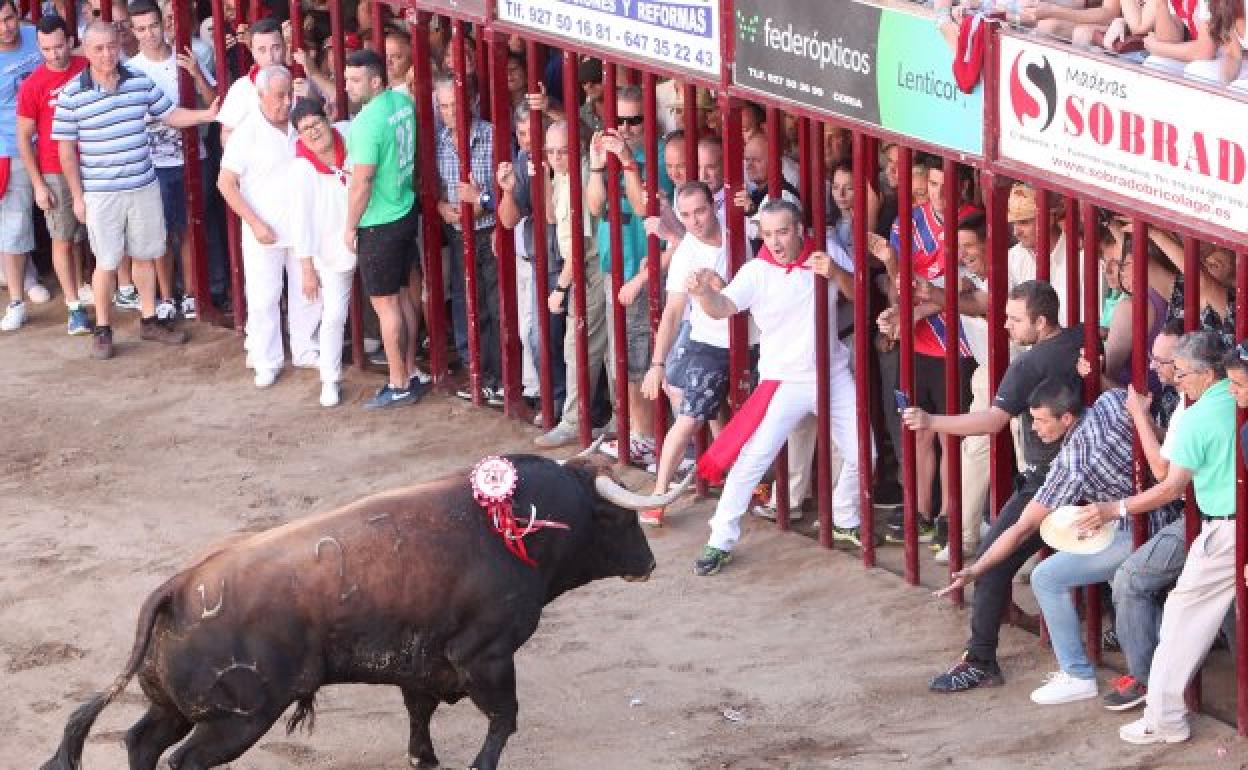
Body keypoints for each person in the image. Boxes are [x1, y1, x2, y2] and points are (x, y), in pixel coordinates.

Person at [938, 380, 1182, 705]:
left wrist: (978, 568)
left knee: (1046, 576)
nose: (1034, 429)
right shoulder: (1110, 401)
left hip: (1138, 530)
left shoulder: (1074, 463)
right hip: (1171, 516)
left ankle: (1078, 674)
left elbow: (1023, 526)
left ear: (1066, 418)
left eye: (1041, 421)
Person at [902, 280, 1083, 691]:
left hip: (1049, 481)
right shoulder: (1078, 339)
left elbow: (991, 422)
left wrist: (933, 422)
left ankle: (981, 658)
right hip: (1084, 476)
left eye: (1015, 320)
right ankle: (1016, 616)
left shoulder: (1028, 364)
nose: (1005, 326)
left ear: (1041, 321)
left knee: (990, 561)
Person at [687, 200, 868, 576]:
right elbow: (722, 307)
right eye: (767, 234)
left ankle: (845, 516)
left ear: (799, 228)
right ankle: (719, 539)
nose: (775, 242)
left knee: (864, 453)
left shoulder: (825, 252)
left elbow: (859, 295)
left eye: (782, 232)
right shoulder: (756, 271)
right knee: (753, 459)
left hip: (832, 375)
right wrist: (703, 293)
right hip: (783, 381)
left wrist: (834, 271)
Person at [1075, 331, 1237, 744]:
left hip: (1224, 529)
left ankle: (1163, 718)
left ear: (1206, 373)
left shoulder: (1201, 414)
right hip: (1229, 524)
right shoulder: (1232, 401)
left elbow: (1167, 482)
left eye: (1181, 373)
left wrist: (1116, 508)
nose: (1175, 380)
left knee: (1182, 622)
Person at [53, 20, 217, 358]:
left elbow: (169, 114)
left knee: (145, 255)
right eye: (98, 48)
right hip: (102, 193)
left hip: (143, 186)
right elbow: (66, 150)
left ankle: (149, 319)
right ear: (85, 51)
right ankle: (102, 329)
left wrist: (206, 115)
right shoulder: (71, 94)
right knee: (107, 262)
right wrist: (79, 197)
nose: (107, 54)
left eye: (111, 46)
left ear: (119, 44)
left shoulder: (138, 80)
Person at [218, 64, 321, 386]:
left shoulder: (299, 126)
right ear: (261, 96)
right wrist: (255, 223)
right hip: (264, 230)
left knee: (308, 292)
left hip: (301, 226)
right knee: (264, 296)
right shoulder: (246, 132)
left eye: (289, 94)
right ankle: (267, 358)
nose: (286, 102)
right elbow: (226, 183)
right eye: (279, 96)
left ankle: (306, 349)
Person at [638, 181, 732, 527]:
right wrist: (657, 364)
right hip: (709, 342)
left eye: (701, 211)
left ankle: (728, 473)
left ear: (714, 207)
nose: (694, 221)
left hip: (750, 339)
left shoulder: (740, 226)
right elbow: (673, 312)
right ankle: (660, 495)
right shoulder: (686, 254)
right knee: (691, 415)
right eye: (687, 215)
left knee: (714, 409)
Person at [345, 49, 426, 409]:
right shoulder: (401, 103)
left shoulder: (366, 123)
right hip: (405, 209)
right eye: (346, 78)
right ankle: (409, 370)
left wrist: (349, 226)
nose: (348, 86)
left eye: (355, 80)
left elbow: (362, 181)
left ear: (376, 80)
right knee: (405, 295)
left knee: (386, 305)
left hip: (378, 222)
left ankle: (398, 383)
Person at [126, 0, 216, 321]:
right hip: (153, 165)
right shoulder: (131, 69)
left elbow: (214, 102)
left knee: (191, 229)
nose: (150, 33)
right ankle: (166, 296)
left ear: (164, 24)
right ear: (133, 32)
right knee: (160, 234)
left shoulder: (185, 57)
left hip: (193, 156)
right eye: (142, 28)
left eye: (154, 25)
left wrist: (195, 74)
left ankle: (191, 294)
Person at [587, 84, 657, 465]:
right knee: (622, 357)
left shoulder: (660, 155)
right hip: (613, 266)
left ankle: (645, 436)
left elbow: (646, 206)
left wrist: (629, 162)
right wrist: (598, 166)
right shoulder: (604, 153)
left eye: (635, 120)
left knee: (637, 359)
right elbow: (595, 206)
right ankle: (634, 431)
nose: (627, 129)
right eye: (621, 121)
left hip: (643, 269)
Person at [532, 119, 612, 450]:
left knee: (580, 347)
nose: (556, 157)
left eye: (562, 151)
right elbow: (551, 217)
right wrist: (545, 174)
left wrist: (561, 287)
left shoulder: (580, 175)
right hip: (581, 269)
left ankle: (574, 422)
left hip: (587, 271)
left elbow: (581, 245)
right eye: (550, 152)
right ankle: (606, 420)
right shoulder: (563, 175)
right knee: (595, 347)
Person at [14, 13, 89, 335]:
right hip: (55, 169)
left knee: (92, 236)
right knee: (62, 239)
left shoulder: (86, 67)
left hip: (95, 162)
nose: (54, 54)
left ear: (71, 42)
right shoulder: (33, 85)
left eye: (59, 47)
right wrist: (38, 183)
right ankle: (74, 307)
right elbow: (23, 138)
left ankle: (94, 287)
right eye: (46, 49)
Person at [433, 72, 503, 406]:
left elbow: (508, 191)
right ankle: (477, 370)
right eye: (443, 107)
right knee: (467, 301)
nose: (450, 114)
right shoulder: (438, 140)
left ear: (471, 103)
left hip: (490, 232)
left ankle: (501, 377)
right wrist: (441, 207)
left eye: (455, 106)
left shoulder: (492, 136)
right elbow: (432, 186)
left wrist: (480, 201)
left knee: (495, 303)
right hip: (458, 231)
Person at [290, 98, 353, 408]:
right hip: (331, 251)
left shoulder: (351, 136)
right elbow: (301, 221)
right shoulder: (302, 168)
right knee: (334, 315)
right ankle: (330, 378)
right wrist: (306, 268)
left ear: (328, 118)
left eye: (316, 124)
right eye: (305, 131)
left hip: (367, 235)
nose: (313, 133)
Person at [0, 0, 47, 332]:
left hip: (52, 141)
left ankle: (73, 283)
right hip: (10, 147)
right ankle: (17, 298)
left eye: (9, 18)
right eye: (0, 22)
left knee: (64, 216)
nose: (6, 27)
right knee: (15, 222)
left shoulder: (36, 37)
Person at [216, 16, 284, 148]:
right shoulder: (241, 88)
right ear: (252, 52)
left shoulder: (298, 83)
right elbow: (227, 133)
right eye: (262, 50)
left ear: (285, 47)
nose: (270, 57)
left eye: (276, 48)